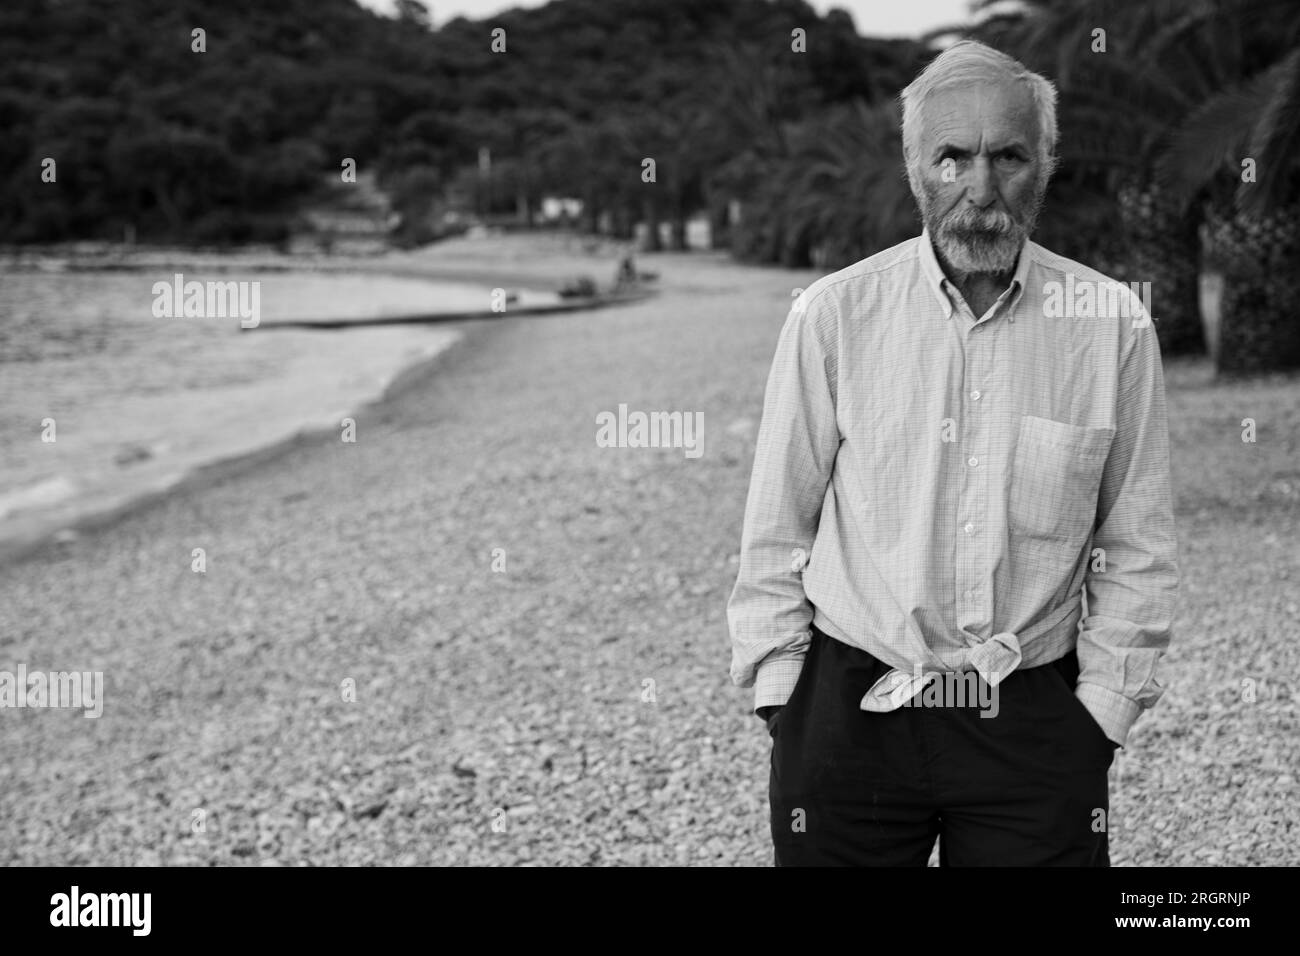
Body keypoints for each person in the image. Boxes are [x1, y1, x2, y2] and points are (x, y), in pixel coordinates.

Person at [726, 39, 1179, 866]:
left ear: (1045, 162)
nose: (980, 190)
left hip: (1035, 718)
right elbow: (776, 527)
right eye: (952, 158)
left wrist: (1101, 716)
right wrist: (781, 701)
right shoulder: (832, 318)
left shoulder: (1111, 326)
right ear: (914, 168)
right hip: (850, 708)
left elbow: (1138, 544)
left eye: (1008, 156)